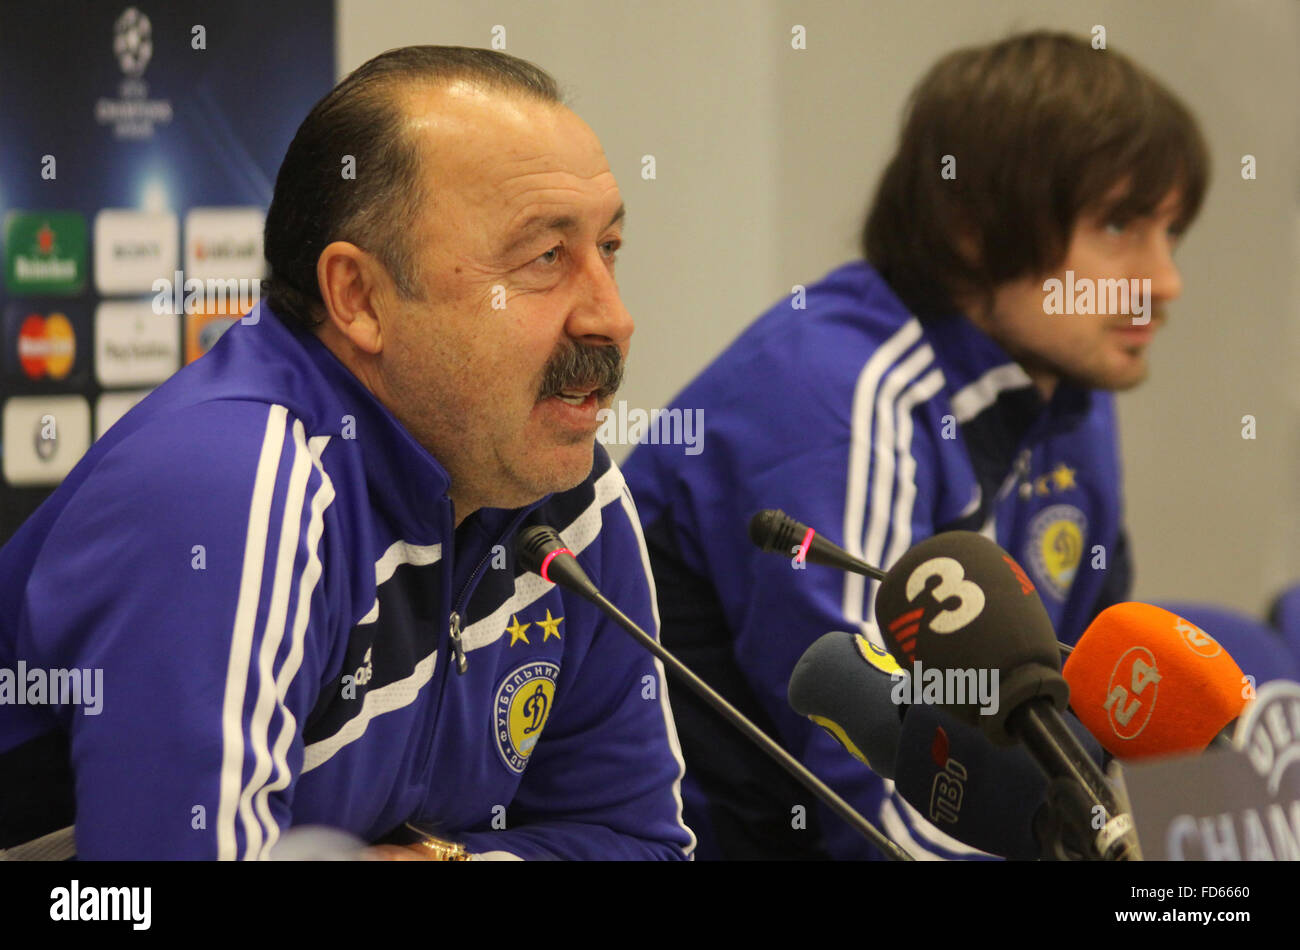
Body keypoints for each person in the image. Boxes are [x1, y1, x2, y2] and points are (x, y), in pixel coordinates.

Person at [0, 46, 694, 861]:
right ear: (360, 298)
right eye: (545, 258)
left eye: (607, 248)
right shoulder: (231, 492)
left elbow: (638, 844)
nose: (613, 318)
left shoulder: (560, 490)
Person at [622, 31, 1209, 860]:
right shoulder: (838, 393)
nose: (1165, 279)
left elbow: (1080, 721)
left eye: (1172, 229)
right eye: (1118, 225)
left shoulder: (1069, 390)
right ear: (972, 226)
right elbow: (886, 799)